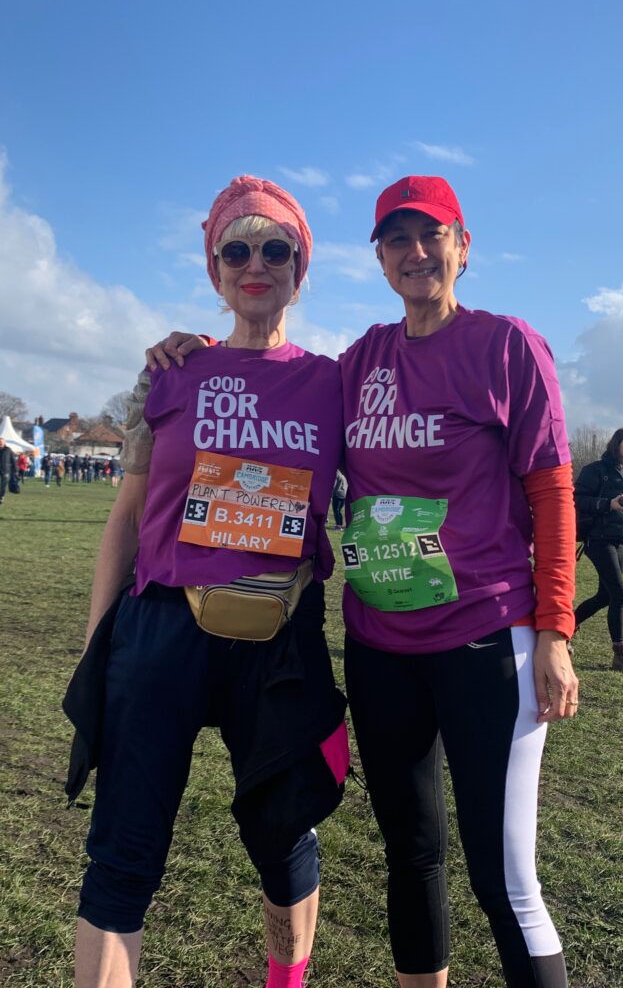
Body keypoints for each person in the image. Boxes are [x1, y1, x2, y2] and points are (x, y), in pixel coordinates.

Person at [148, 175, 579, 988]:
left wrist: (555, 632)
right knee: (410, 851)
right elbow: (273, 376)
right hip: (381, 642)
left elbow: (552, 492)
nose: (416, 253)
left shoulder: (505, 345)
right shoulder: (361, 363)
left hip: (487, 636)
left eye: (433, 235)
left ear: (463, 245)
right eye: (397, 240)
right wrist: (198, 353)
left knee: (503, 877)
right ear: (379, 259)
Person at [63, 175, 348, 988]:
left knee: (285, 834)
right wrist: (99, 644)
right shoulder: (170, 373)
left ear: (302, 266)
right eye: (236, 248)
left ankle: (284, 982)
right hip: (161, 633)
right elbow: (125, 518)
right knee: (122, 850)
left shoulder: (334, 381)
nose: (255, 264)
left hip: (281, 636)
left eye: (276, 248)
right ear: (214, 268)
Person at [574, 428, 623, 674]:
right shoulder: (596, 470)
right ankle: (620, 655)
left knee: (605, 596)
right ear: (616, 444)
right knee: (620, 595)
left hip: (620, 540)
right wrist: (607, 504)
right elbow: (577, 499)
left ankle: (567, 626)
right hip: (598, 538)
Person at [0, 436, 17, 503]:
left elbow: (13, 460)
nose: (0, 444)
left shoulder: (8, 450)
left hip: (5, 470)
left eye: (1, 442)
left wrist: (16, 470)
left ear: (4, 443)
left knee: (3, 485)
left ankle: (1, 497)